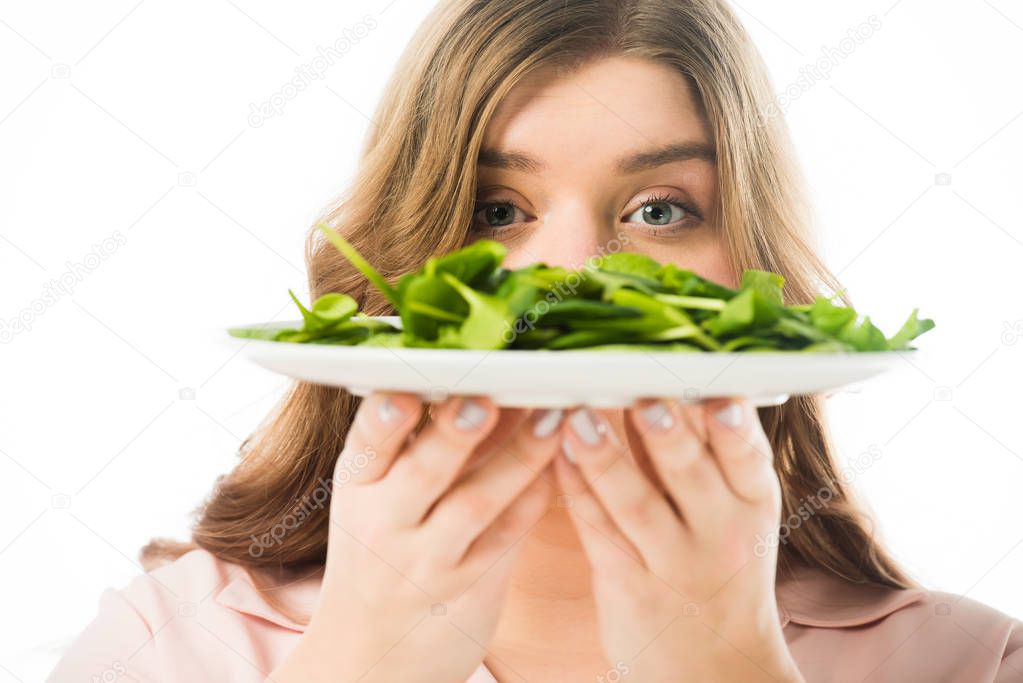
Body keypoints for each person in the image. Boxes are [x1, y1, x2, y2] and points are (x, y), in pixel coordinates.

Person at [48, 0, 1023, 681]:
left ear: (758, 279)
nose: (572, 269)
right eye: (495, 205)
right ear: (401, 263)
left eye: (658, 208)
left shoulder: (969, 664)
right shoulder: (169, 643)